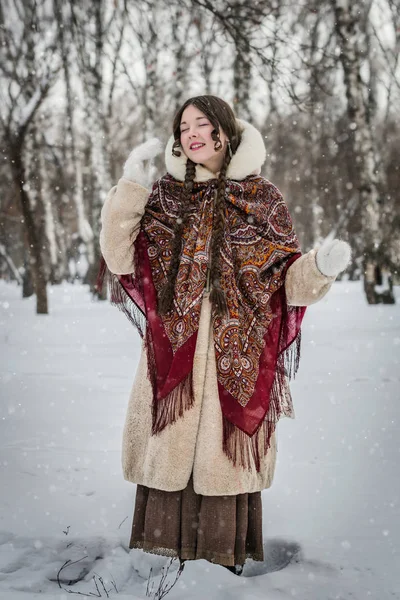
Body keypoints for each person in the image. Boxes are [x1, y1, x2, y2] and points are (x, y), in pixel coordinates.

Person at [98, 95, 351, 575]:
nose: (190, 133)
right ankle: (156, 567)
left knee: (221, 465)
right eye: (184, 126)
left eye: (201, 123)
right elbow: (121, 257)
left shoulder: (263, 199)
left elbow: (285, 284)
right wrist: (131, 184)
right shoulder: (167, 197)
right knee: (169, 455)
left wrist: (320, 267)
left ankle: (218, 560)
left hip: (237, 355)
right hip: (174, 355)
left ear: (225, 131)